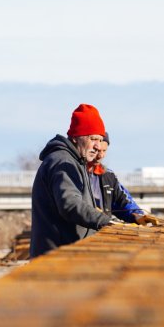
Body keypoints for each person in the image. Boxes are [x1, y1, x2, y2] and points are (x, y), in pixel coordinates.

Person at [30, 104, 114, 258]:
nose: (97, 146)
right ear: (76, 137)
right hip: (56, 258)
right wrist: (105, 221)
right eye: (93, 138)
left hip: (66, 255)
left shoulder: (76, 161)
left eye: (100, 139)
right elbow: (70, 204)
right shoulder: (63, 162)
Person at [89, 134, 158, 226]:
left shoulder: (108, 176)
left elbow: (123, 202)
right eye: (97, 151)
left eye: (104, 151)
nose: (101, 155)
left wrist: (137, 216)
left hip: (99, 232)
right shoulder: (75, 173)